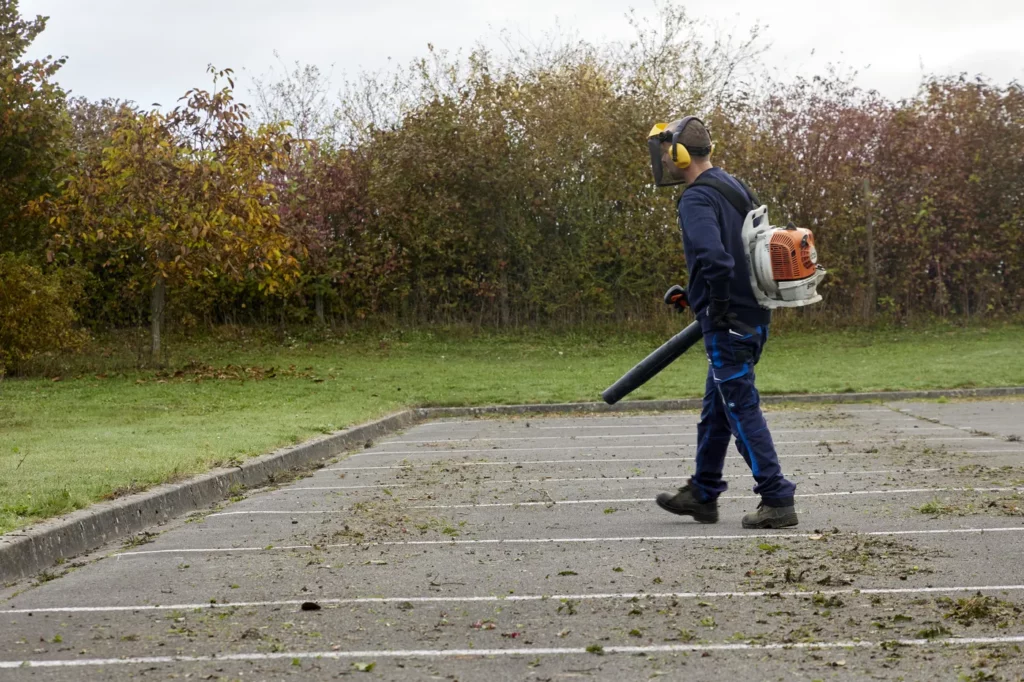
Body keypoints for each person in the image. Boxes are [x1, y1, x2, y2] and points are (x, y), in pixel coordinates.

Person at [648, 117, 798, 529]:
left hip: (727, 323)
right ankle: (703, 492)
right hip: (754, 315)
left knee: (739, 408)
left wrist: (713, 304)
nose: (663, 162)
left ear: (680, 154)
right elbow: (743, 253)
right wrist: (693, 295)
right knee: (718, 408)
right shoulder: (735, 186)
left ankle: (777, 498)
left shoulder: (695, 198)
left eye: (666, 154)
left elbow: (715, 258)